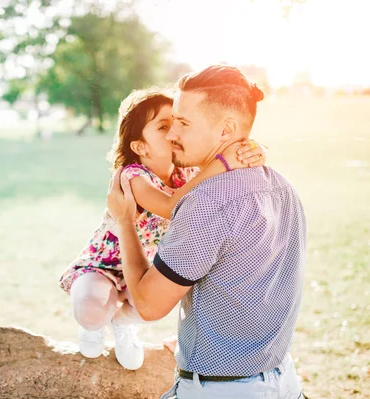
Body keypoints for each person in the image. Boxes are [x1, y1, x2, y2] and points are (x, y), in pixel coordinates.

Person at [106, 65, 306, 398]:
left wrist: (125, 221)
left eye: (183, 123)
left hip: (220, 390)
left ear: (226, 129)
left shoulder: (206, 205)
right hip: (283, 380)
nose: (172, 135)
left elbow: (148, 306)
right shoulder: (283, 187)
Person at [59, 87, 267, 370]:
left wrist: (253, 151)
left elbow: (219, 165)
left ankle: (123, 324)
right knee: (91, 308)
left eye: (179, 124)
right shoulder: (131, 176)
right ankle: (93, 326)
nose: (173, 134)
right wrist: (222, 164)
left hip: (146, 266)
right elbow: (171, 206)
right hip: (106, 265)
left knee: (157, 302)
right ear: (140, 147)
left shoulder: (186, 173)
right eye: (163, 127)